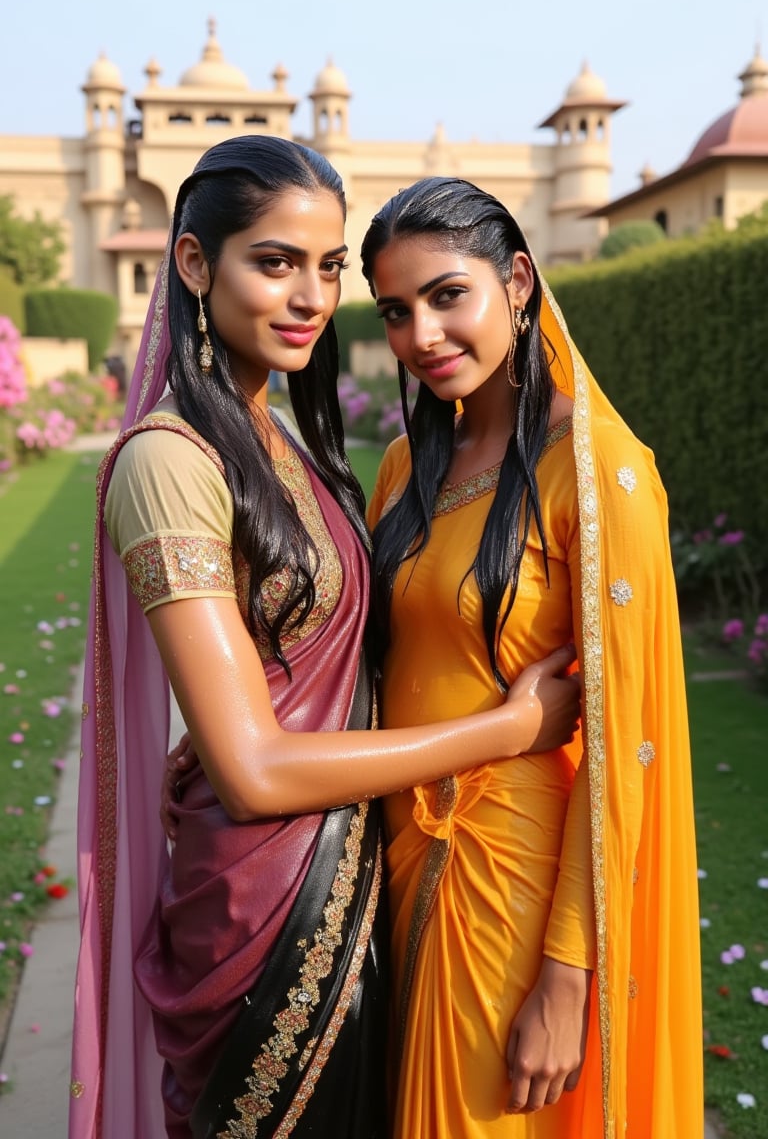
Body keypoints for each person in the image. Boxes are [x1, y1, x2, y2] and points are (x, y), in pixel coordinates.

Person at [68, 138, 581, 1139]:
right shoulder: (168, 463)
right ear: (190, 264)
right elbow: (255, 771)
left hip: (356, 870)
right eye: (274, 263)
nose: (310, 296)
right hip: (263, 916)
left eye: (329, 267)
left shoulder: (279, 443)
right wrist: (511, 730)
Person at [360, 177, 703, 1139]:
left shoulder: (597, 470)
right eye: (396, 311)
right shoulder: (405, 466)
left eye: (445, 295)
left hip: (516, 886)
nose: (420, 335)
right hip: (393, 863)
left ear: (517, 281)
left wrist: (564, 975)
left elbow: (624, 748)